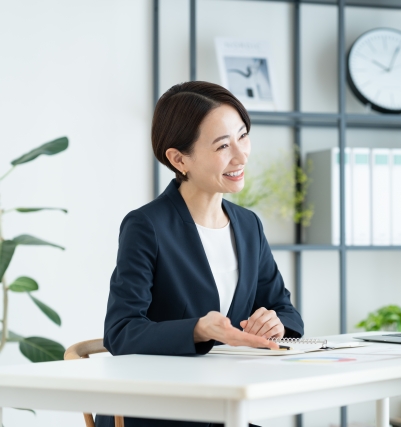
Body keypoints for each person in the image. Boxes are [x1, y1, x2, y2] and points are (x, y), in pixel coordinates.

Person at [98, 81, 303, 427]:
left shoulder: (248, 225)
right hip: (159, 414)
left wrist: (276, 322)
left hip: (221, 408)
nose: (240, 156)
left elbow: (285, 310)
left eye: (243, 136)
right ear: (179, 159)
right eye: (223, 145)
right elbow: (121, 331)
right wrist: (197, 329)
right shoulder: (146, 226)